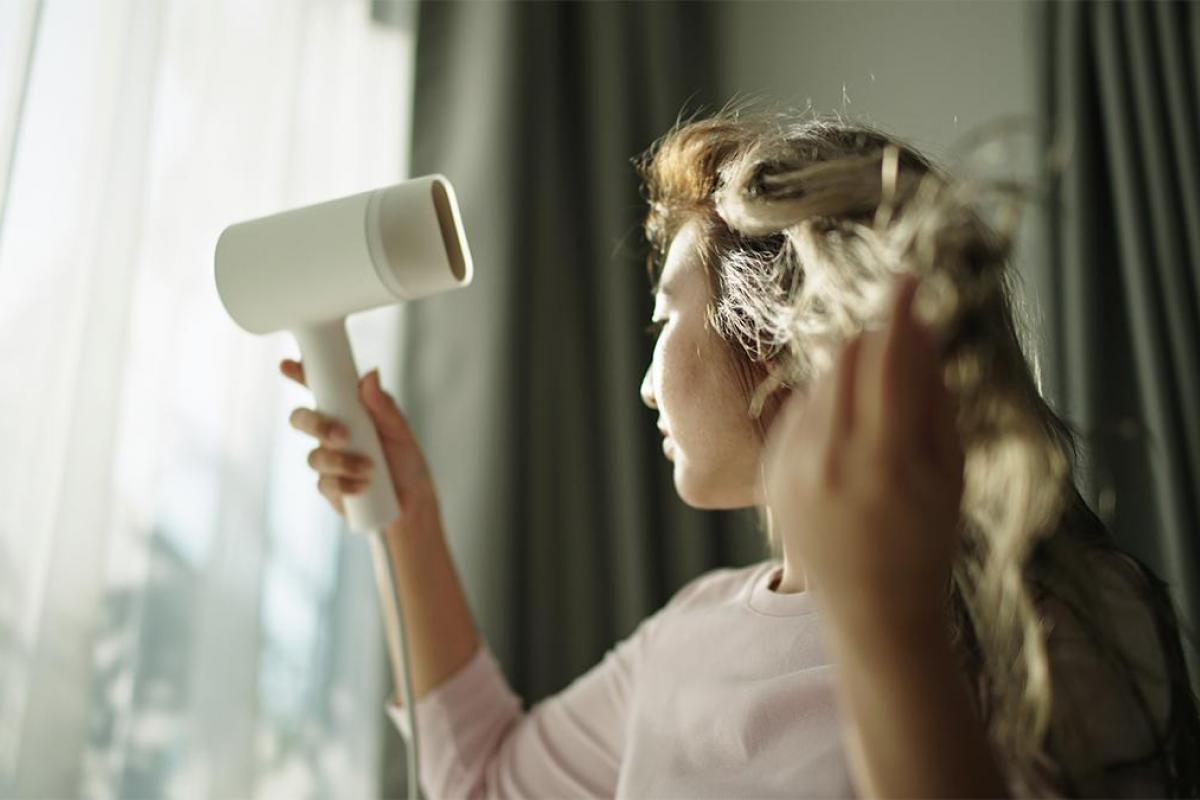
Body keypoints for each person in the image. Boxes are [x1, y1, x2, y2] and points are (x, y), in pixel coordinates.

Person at [280, 112, 1199, 798]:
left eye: (661, 322)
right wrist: (409, 523)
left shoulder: (1058, 633)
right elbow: (482, 777)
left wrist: (890, 637)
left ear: (785, 341)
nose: (645, 385)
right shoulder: (689, 635)